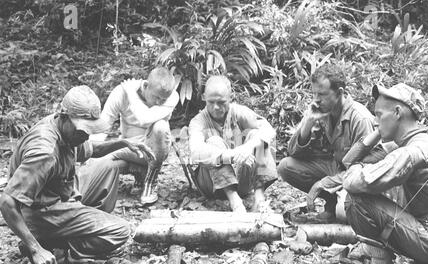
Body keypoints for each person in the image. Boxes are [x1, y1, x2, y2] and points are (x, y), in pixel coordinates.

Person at [0, 86, 153, 264]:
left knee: (109, 166)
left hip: (62, 194)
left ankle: (63, 236)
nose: (86, 136)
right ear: (63, 116)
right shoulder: (44, 152)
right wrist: (35, 248)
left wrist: (123, 143)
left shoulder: (66, 130)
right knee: (121, 230)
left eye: (90, 130)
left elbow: (92, 150)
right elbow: (6, 202)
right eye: (83, 131)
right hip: (42, 212)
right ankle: (56, 248)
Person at [341, 83, 428, 264]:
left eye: (379, 115)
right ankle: (424, 263)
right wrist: (379, 131)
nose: (374, 120)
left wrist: (358, 169)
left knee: (356, 200)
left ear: (397, 112)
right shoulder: (422, 142)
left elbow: (355, 182)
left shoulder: (412, 152)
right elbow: (348, 160)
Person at [278, 64, 375, 223]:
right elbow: (293, 152)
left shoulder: (359, 119)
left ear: (340, 93)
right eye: (314, 93)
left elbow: (367, 171)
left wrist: (323, 183)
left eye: (322, 94)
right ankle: (332, 203)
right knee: (286, 166)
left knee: (343, 214)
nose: (316, 99)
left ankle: (344, 207)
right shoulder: (320, 110)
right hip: (336, 167)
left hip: (356, 178)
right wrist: (307, 125)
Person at [87, 66, 179, 206]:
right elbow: (103, 126)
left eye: (163, 99)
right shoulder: (121, 92)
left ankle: (150, 181)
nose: (160, 102)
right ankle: (138, 172)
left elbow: (145, 119)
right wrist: (89, 153)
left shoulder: (172, 97)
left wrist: (131, 93)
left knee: (161, 127)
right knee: (95, 163)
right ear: (146, 86)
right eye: (157, 97)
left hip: (153, 150)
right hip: (128, 147)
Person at [188, 75, 278, 213]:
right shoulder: (197, 121)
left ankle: (259, 199)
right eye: (211, 102)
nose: (216, 107)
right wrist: (231, 155)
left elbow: (268, 130)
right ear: (203, 97)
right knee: (214, 142)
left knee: (257, 137)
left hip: (241, 180)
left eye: (221, 102)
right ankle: (234, 201)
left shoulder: (239, 112)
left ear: (230, 97)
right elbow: (196, 152)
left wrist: (248, 148)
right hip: (211, 185)